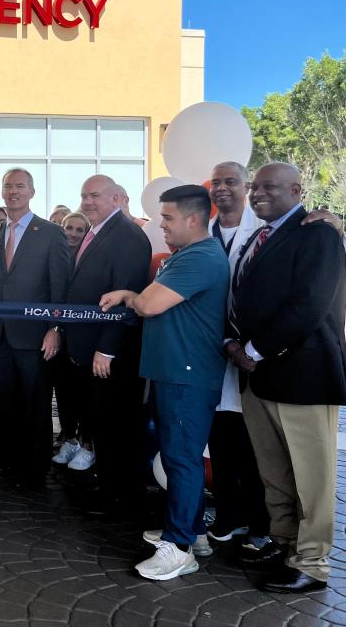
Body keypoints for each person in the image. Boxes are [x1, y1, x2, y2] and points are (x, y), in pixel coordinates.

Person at [226, 163, 346, 594]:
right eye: (254, 187)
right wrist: (233, 344)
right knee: (275, 472)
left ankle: (312, 563)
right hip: (257, 377)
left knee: (311, 478)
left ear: (297, 190)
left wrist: (253, 349)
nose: (258, 193)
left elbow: (310, 303)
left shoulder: (318, 232)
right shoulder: (258, 237)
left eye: (269, 187)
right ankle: (283, 543)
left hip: (303, 374)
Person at [101, 185, 230, 581]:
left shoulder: (202, 257)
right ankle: (193, 532)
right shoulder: (188, 255)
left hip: (186, 376)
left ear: (194, 219)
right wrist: (134, 294)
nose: (162, 224)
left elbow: (151, 304)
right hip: (174, 373)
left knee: (182, 459)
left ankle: (178, 549)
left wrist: (130, 295)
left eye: (169, 217)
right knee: (178, 457)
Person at [65, 175, 150, 507]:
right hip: (90, 346)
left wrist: (107, 348)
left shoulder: (127, 235)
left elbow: (124, 296)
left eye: (95, 196)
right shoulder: (97, 229)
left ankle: (118, 491)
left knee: (115, 421)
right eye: (84, 195)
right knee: (102, 419)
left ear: (117, 198)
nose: (87, 202)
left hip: (110, 351)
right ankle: (109, 481)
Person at [0, 168, 70, 484]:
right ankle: (8, 458)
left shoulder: (50, 232)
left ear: (32, 192)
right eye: (8, 186)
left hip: (35, 335)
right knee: (4, 401)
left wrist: (56, 328)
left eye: (20, 186)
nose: (13, 191)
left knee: (35, 402)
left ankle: (36, 465)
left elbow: (59, 285)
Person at [204, 162, 271, 551]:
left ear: (245, 186)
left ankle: (261, 524)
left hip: (251, 356)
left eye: (230, 181)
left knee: (256, 448)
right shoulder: (204, 232)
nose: (222, 188)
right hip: (213, 355)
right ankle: (229, 516)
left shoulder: (263, 229)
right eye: (216, 182)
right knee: (223, 444)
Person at [51, 211, 90, 456]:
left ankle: (84, 437)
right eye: (69, 228)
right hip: (57, 333)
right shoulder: (54, 255)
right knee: (62, 386)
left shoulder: (87, 259)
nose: (73, 234)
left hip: (81, 335)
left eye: (79, 230)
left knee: (81, 389)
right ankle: (67, 433)